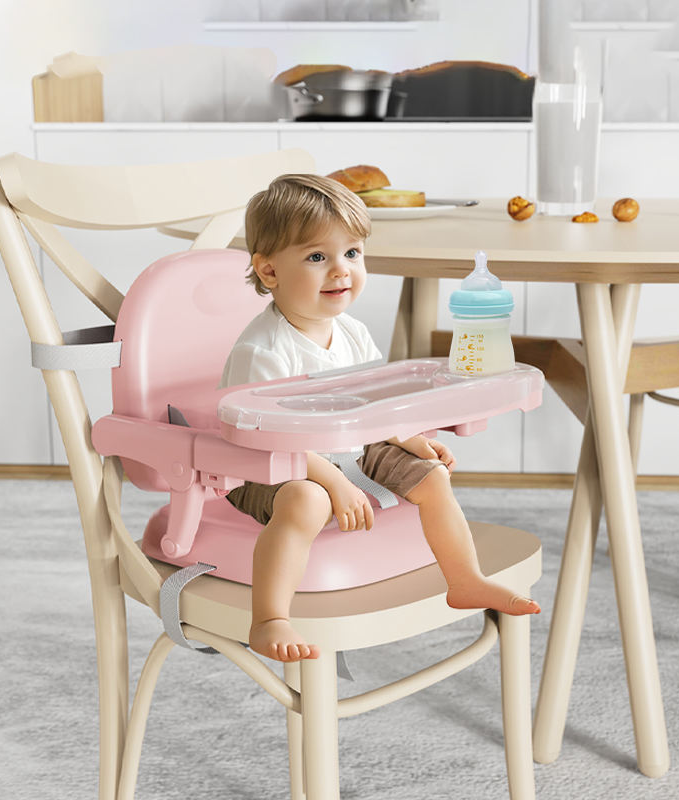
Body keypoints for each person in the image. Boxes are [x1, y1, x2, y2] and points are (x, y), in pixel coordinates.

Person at [220, 174, 540, 663]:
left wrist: (410, 439)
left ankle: (465, 580)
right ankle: (268, 619)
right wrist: (335, 484)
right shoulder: (263, 350)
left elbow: (375, 404)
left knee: (431, 477)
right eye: (317, 257)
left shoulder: (351, 332)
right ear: (269, 271)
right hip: (268, 465)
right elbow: (268, 440)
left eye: (352, 253)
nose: (341, 270)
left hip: (346, 450)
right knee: (307, 500)